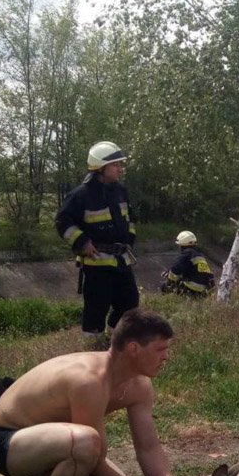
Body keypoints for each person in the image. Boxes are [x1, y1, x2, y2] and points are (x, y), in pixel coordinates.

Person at [0, 308, 192, 476]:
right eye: (160, 349)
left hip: (53, 442)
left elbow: (148, 448)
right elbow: (94, 459)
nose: (166, 357)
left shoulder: (139, 385)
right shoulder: (89, 381)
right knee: (87, 445)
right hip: (9, 441)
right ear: (133, 349)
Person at [55, 141, 139, 350]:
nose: (120, 168)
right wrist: (82, 242)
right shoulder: (81, 195)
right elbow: (62, 222)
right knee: (96, 310)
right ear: (101, 167)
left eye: (120, 164)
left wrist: (129, 239)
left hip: (121, 260)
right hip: (97, 263)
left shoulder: (120, 191)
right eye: (115, 164)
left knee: (130, 303)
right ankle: (93, 350)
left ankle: (115, 342)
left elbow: (131, 218)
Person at [163, 230, 215, 297]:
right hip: (204, 291)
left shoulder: (187, 254)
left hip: (192, 289)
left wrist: (169, 282)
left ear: (182, 244)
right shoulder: (199, 255)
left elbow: (176, 269)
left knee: (164, 288)